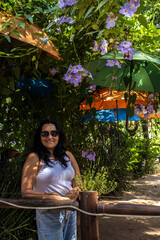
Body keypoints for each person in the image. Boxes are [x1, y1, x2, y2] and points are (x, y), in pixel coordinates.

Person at [21, 119, 81, 240]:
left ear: (59, 135)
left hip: (70, 209)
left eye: (54, 133)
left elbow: (79, 182)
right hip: (48, 211)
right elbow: (25, 191)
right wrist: (49, 197)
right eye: (45, 133)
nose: (50, 137)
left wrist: (75, 192)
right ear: (40, 137)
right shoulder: (34, 158)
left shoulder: (68, 155)